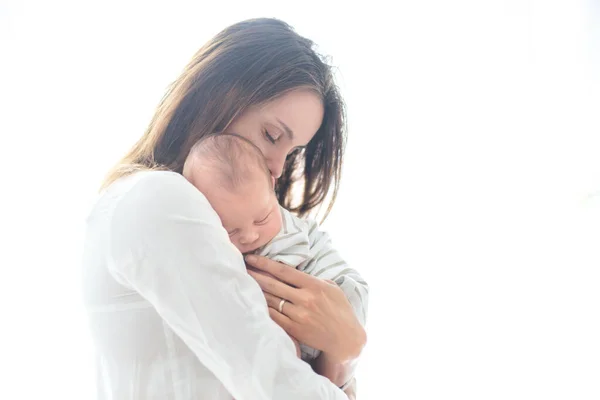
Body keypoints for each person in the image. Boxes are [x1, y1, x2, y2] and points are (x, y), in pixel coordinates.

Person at [82, 18, 367, 399]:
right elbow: (282, 387)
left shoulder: (243, 231)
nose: (279, 169)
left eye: (293, 152)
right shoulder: (159, 198)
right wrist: (346, 353)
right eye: (271, 135)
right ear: (218, 96)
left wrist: (342, 355)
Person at [181, 133, 368, 363]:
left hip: (332, 296)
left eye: (262, 218)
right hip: (291, 328)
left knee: (349, 295)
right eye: (230, 230)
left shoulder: (290, 232)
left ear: (271, 185)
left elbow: (290, 271)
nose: (250, 236)